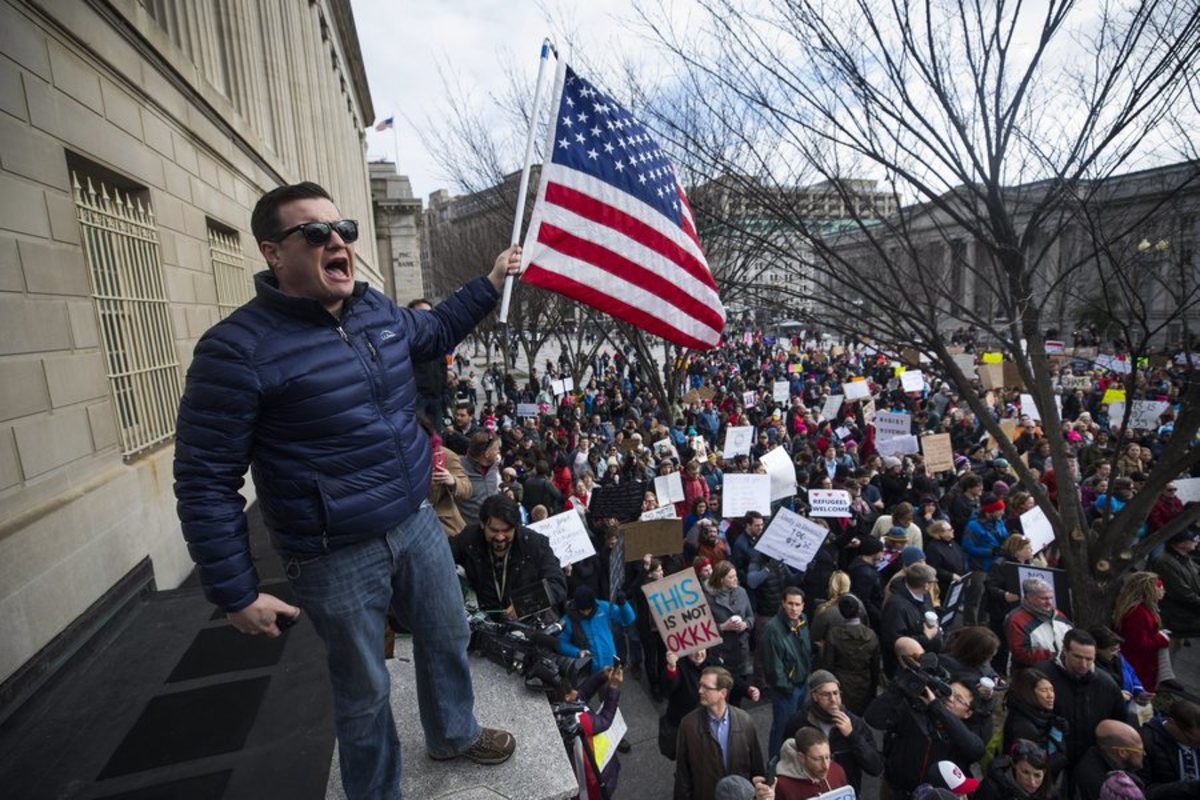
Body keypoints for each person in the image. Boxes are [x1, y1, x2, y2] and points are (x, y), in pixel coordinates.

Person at [174, 182, 519, 798]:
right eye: (314, 232)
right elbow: (205, 480)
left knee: (448, 635)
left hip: (415, 521)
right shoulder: (234, 351)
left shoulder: (376, 311)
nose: (337, 242)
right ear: (274, 252)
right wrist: (234, 592)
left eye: (345, 229)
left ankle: (454, 734)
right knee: (365, 693)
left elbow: (434, 332)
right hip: (332, 552)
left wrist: (489, 283)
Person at [450, 494, 567, 619]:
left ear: (516, 526)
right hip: (484, 621)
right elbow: (443, 559)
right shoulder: (468, 540)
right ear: (483, 525)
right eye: (494, 530)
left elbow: (557, 584)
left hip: (526, 622)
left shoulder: (536, 544)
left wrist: (525, 604)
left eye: (506, 530)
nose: (500, 537)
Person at [1036, 628, 1129, 777]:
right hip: (1048, 760)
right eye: (1078, 657)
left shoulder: (1107, 685)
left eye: (1089, 659)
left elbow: (1119, 723)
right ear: (1065, 651)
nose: (1084, 664)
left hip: (1088, 763)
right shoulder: (1041, 676)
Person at [674, 666, 767, 800]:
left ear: (722, 693)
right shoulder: (688, 725)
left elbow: (756, 766)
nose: (700, 690)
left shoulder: (745, 721)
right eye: (700, 685)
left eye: (706, 687)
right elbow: (683, 774)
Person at [782, 670, 883, 792]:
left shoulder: (855, 723)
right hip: (810, 791)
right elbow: (787, 760)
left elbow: (875, 767)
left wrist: (852, 736)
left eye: (836, 693)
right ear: (814, 696)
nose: (833, 699)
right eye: (826, 694)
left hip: (844, 790)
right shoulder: (799, 722)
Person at [761, 587, 813, 760]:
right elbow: (772, 666)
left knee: (797, 727)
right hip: (786, 690)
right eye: (790, 603)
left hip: (801, 684)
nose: (794, 608)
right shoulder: (772, 630)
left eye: (797, 604)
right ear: (783, 603)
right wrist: (787, 687)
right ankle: (774, 765)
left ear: (803, 606)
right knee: (781, 729)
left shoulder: (803, 621)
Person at [560, 665, 625, 800]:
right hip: (598, 774)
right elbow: (605, 720)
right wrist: (613, 688)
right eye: (572, 690)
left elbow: (581, 697)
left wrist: (600, 677)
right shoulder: (579, 719)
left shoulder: (561, 707)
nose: (576, 692)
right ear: (566, 698)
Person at [1003, 668, 1070, 780]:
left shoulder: (1041, 716)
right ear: (1029, 693)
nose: (1051, 695)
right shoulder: (1023, 727)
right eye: (1044, 691)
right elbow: (1033, 768)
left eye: (1051, 690)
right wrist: (1061, 757)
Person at [817, 595, 880, 715]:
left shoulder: (834, 634)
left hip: (842, 682)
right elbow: (875, 666)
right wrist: (873, 689)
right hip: (863, 681)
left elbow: (828, 664)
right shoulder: (871, 635)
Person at [880, 563, 944, 675]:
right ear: (926, 585)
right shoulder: (896, 606)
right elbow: (893, 641)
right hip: (906, 669)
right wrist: (926, 637)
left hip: (928, 657)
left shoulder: (925, 595)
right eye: (932, 583)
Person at [558, 584, 635, 674]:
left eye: (588, 609)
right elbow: (560, 643)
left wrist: (623, 604)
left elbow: (628, 620)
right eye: (582, 610)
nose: (586, 613)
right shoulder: (568, 619)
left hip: (609, 664)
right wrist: (577, 652)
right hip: (588, 670)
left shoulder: (603, 607)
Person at [1006, 577, 1073, 669]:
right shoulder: (1016, 620)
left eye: (1051, 598)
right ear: (1029, 597)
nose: (1049, 603)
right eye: (1043, 598)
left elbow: (1072, 637)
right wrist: (1054, 655)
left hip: (1061, 668)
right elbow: (1020, 653)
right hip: (1033, 673)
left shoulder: (1059, 615)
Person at [1073, 719, 1148, 800]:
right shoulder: (1108, 789)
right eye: (1140, 750)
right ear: (1122, 752)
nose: (1144, 754)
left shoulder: (1100, 758)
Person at [708, 561, 757, 682]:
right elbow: (703, 629)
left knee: (740, 687)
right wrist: (723, 627)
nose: (736, 579)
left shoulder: (742, 592)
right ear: (721, 580)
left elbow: (751, 617)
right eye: (731, 577)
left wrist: (745, 624)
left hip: (741, 650)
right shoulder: (708, 599)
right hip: (721, 652)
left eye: (735, 575)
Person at [1140, 699, 1200, 797]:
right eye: (1191, 740)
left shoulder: (1196, 741)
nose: (1197, 747)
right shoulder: (1145, 743)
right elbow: (1141, 792)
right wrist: (1191, 787)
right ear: (1171, 723)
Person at [1149, 530, 1200, 640]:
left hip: (1185, 608)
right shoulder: (1164, 562)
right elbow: (1181, 593)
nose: (1196, 542)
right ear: (1181, 544)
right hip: (1173, 612)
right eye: (1192, 540)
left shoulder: (1184, 558)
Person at [773, 727, 850, 799]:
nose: (826, 766)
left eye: (827, 757)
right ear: (801, 757)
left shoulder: (837, 771)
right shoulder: (783, 786)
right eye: (817, 759)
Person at [974, 740, 1055, 800]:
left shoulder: (1048, 793)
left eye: (1037, 775)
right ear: (1014, 766)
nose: (1032, 782)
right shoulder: (991, 789)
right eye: (1025, 773)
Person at [457, 431, 501, 525]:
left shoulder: (494, 465)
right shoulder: (459, 468)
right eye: (496, 449)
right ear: (486, 453)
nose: (498, 451)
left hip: (492, 526)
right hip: (469, 529)